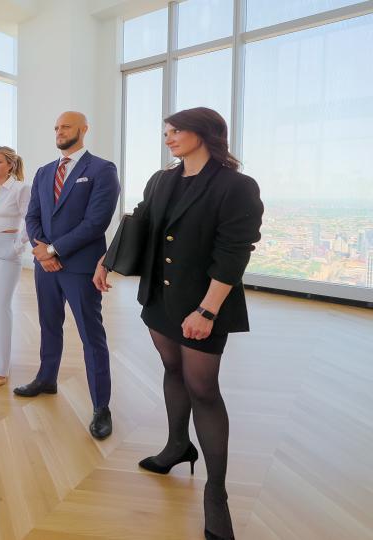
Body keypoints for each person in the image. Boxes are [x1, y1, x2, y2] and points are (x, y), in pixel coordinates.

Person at [94, 107, 263, 540]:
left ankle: (216, 495)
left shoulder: (236, 186)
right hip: (158, 297)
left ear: (204, 133)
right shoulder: (161, 179)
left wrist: (207, 311)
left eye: (176, 131)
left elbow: (234, 253)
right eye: (166, 131)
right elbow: (139, 221)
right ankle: (176, 445)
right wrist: (106, 261)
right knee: (172, 371)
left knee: (204, 390)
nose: (168, 138)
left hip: (203, 302)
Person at [19, 111, 120, 441]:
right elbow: (32, 216)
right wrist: (42, 252)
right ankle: (47, 378)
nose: (59, 131)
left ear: (83, 130)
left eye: (65, 126)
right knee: (49, 325)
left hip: (79, 267)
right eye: (56, 127)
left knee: (91, 336)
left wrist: (53, 251)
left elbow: (96, 223)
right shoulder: (44, 171)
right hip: (45, 267)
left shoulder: (102, 170)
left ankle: (100, 407)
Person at [0, 146, 30, 387]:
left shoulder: (20, 188)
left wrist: (17, 247)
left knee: (2, 304)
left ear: (10, 165)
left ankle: (2, 368)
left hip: (8, 247)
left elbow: (31, 221)